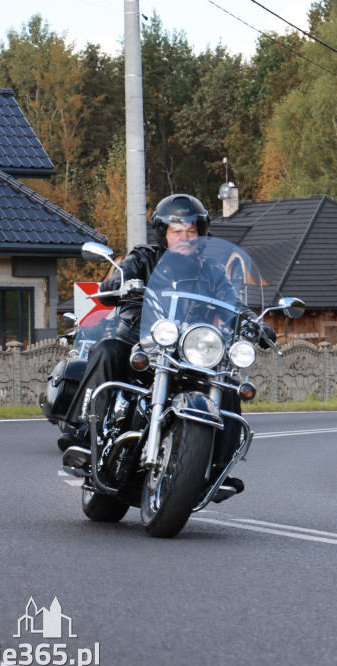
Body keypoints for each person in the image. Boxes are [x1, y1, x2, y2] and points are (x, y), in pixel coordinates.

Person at [59, 193, 274, 465]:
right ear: (164, 234)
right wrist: (117, 284)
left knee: (226, 381)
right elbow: (120, 275)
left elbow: (231, 303)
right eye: (177, 231)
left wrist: (255, 323)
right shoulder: (143, 257)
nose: (185, 238)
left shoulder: (211, 271)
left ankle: (220, 462)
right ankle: (84, 431)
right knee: (107, 350)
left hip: (187, 351)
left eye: (192, 231)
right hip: (140, 343)